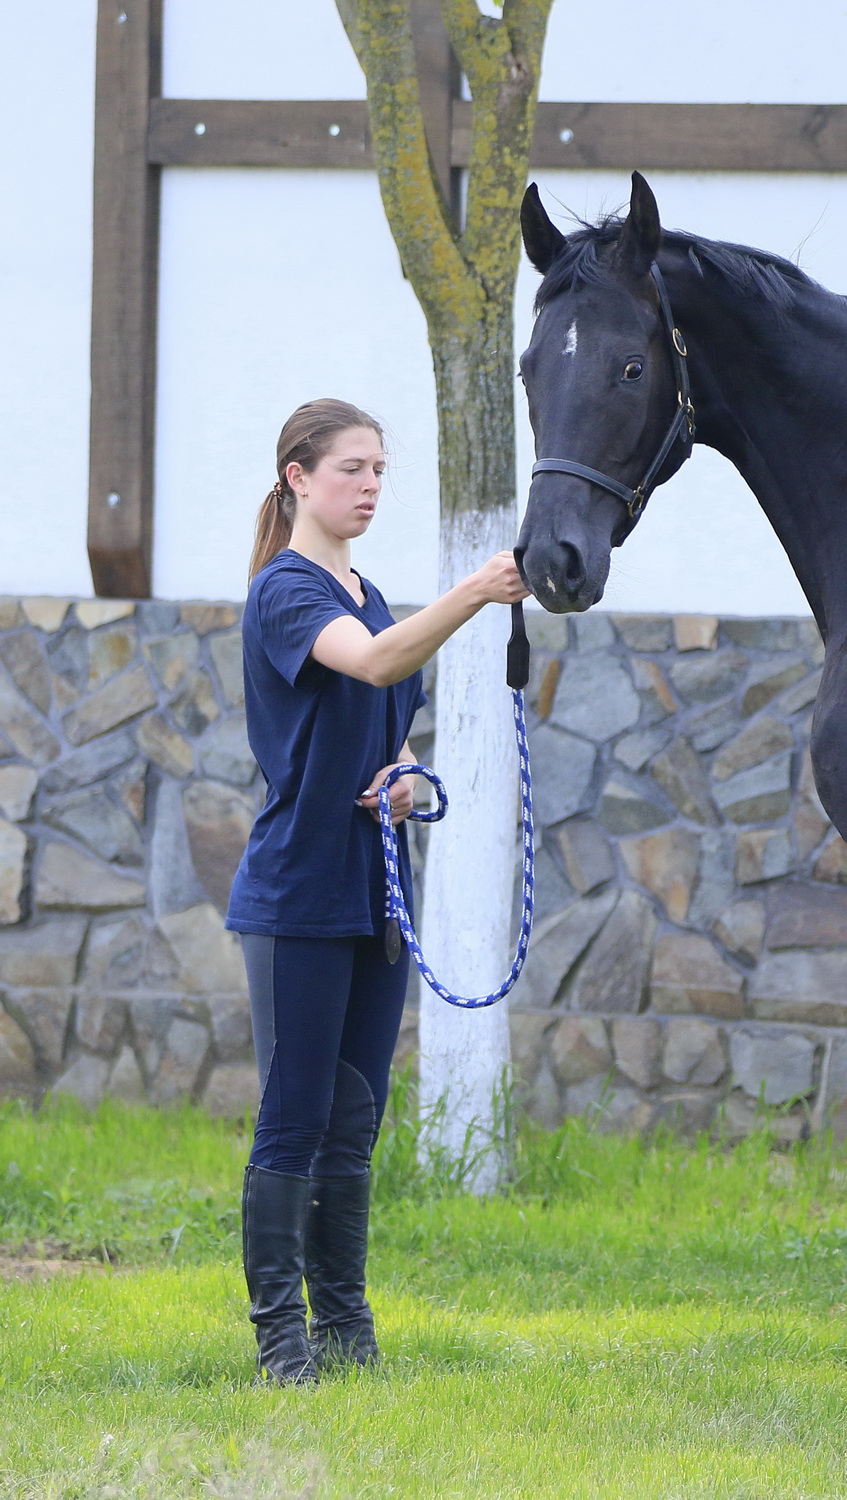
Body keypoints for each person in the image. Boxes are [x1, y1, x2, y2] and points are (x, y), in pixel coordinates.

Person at [227, 398, 529, 1383]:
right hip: (296, 896)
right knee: (296, 1116)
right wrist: (478, 590)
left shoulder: (370, 589)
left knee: (355, 1118)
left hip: (371, 890)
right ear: (297, 479)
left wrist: (406, 778)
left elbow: (383, 723)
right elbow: (374, 661)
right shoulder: (289, 592)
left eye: (379, 471)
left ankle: (346, 1334)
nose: (369, 486)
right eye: (351, 468)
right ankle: (282, 1346)